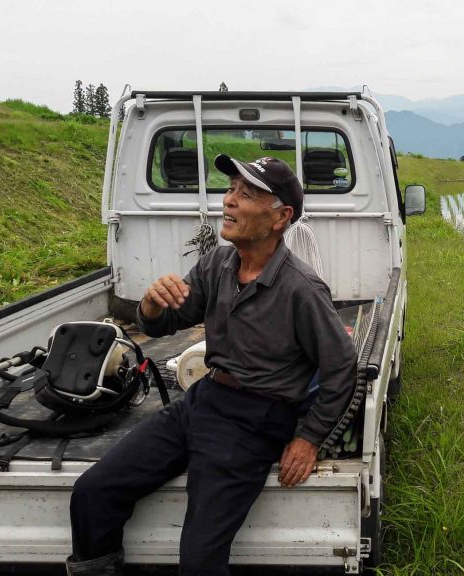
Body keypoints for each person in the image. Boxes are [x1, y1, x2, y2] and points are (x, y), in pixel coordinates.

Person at [66, 155, 358, 576]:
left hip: (254, 422)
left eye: (248, 194)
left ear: (281, 217)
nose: (230, 202)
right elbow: (168, 321)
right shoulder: (217, 264)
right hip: (203, 400)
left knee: (200, 558)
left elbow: (341, 368)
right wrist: (150, 305)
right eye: (232, 190)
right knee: (93, 492)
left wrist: (309, 438)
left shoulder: (302, 289)